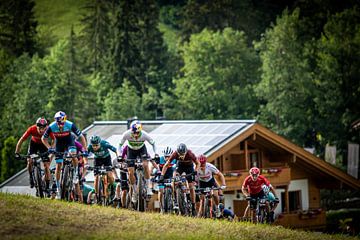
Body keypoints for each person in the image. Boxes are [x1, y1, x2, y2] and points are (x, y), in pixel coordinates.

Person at [41, 111, 88, 199]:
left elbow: (81, 136)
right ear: (56, 122)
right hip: (59, 144)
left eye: (62, 123)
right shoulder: (51, 126)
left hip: (69, 142)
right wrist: (49, 148)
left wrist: (85, 149)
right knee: (58, 165)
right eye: (58, 123)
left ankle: (75, 174)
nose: (60, 126)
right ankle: (58, 188)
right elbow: (43, 138)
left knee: (73, 155)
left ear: (65, 121)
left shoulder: (70, 125)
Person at [118, 120, 158, 203]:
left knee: (145, 165)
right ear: (131, 131)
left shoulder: (144, 134)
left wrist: (156, 153)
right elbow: (119, 145)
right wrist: (119, 155)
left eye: (137, 133)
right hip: (131, 151)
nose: (136, 135)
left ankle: (147, 188)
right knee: (130, 172)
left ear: (140, 131)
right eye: (134, 133)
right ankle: (135, 192)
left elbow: (153, 143)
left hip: (141, 150)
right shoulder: (126, 134)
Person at [15, 117, 55, 195]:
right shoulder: (31, 129)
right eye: (40, 128)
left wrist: (51, 149)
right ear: (36, 126)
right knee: (29, 161)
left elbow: (54, 139)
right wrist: (17, 152)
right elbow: (21, 140)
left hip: (44, 145)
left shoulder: (49, 129)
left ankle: (47, 186)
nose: (42, 130)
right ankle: (30, 176)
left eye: (44, 128)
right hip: (34, 144)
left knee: (46, 166)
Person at [160, 143, 200, 216]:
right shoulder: (175, 154)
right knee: (174, 177)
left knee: (191, 186)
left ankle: (193, 206)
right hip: (180, 166)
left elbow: (198, 163)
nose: (181, 156)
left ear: (186, 152)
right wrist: (162, 175)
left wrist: (195, 171)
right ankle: (175, 198)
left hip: (189, 167)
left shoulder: (190, 154)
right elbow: (166, 165)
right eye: (180, 155)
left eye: (183, 154)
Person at [87, 135, 118, 202]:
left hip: (107, 159)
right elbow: (85, 155)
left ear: (100, 143)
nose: (94, 147)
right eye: (93, 145)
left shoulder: (104, 144)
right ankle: (96, 194)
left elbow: (115, 150)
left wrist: (119, 158)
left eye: (96, 145)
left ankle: (113, 187)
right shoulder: (89, 147)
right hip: (97, 159)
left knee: (109, 175)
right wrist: (85, 163)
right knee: (96, 177)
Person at [156, 146, 177, 213]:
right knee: (161, 190)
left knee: (174, 184)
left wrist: (174, 178)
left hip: (170, 175)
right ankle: (160, 206)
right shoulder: (160, 159)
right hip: (162, 176)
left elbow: (175, 170)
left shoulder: (174, 160)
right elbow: (153, 166)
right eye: (165, 157)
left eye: (168, 156)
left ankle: (174, 200)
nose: (167, 158)